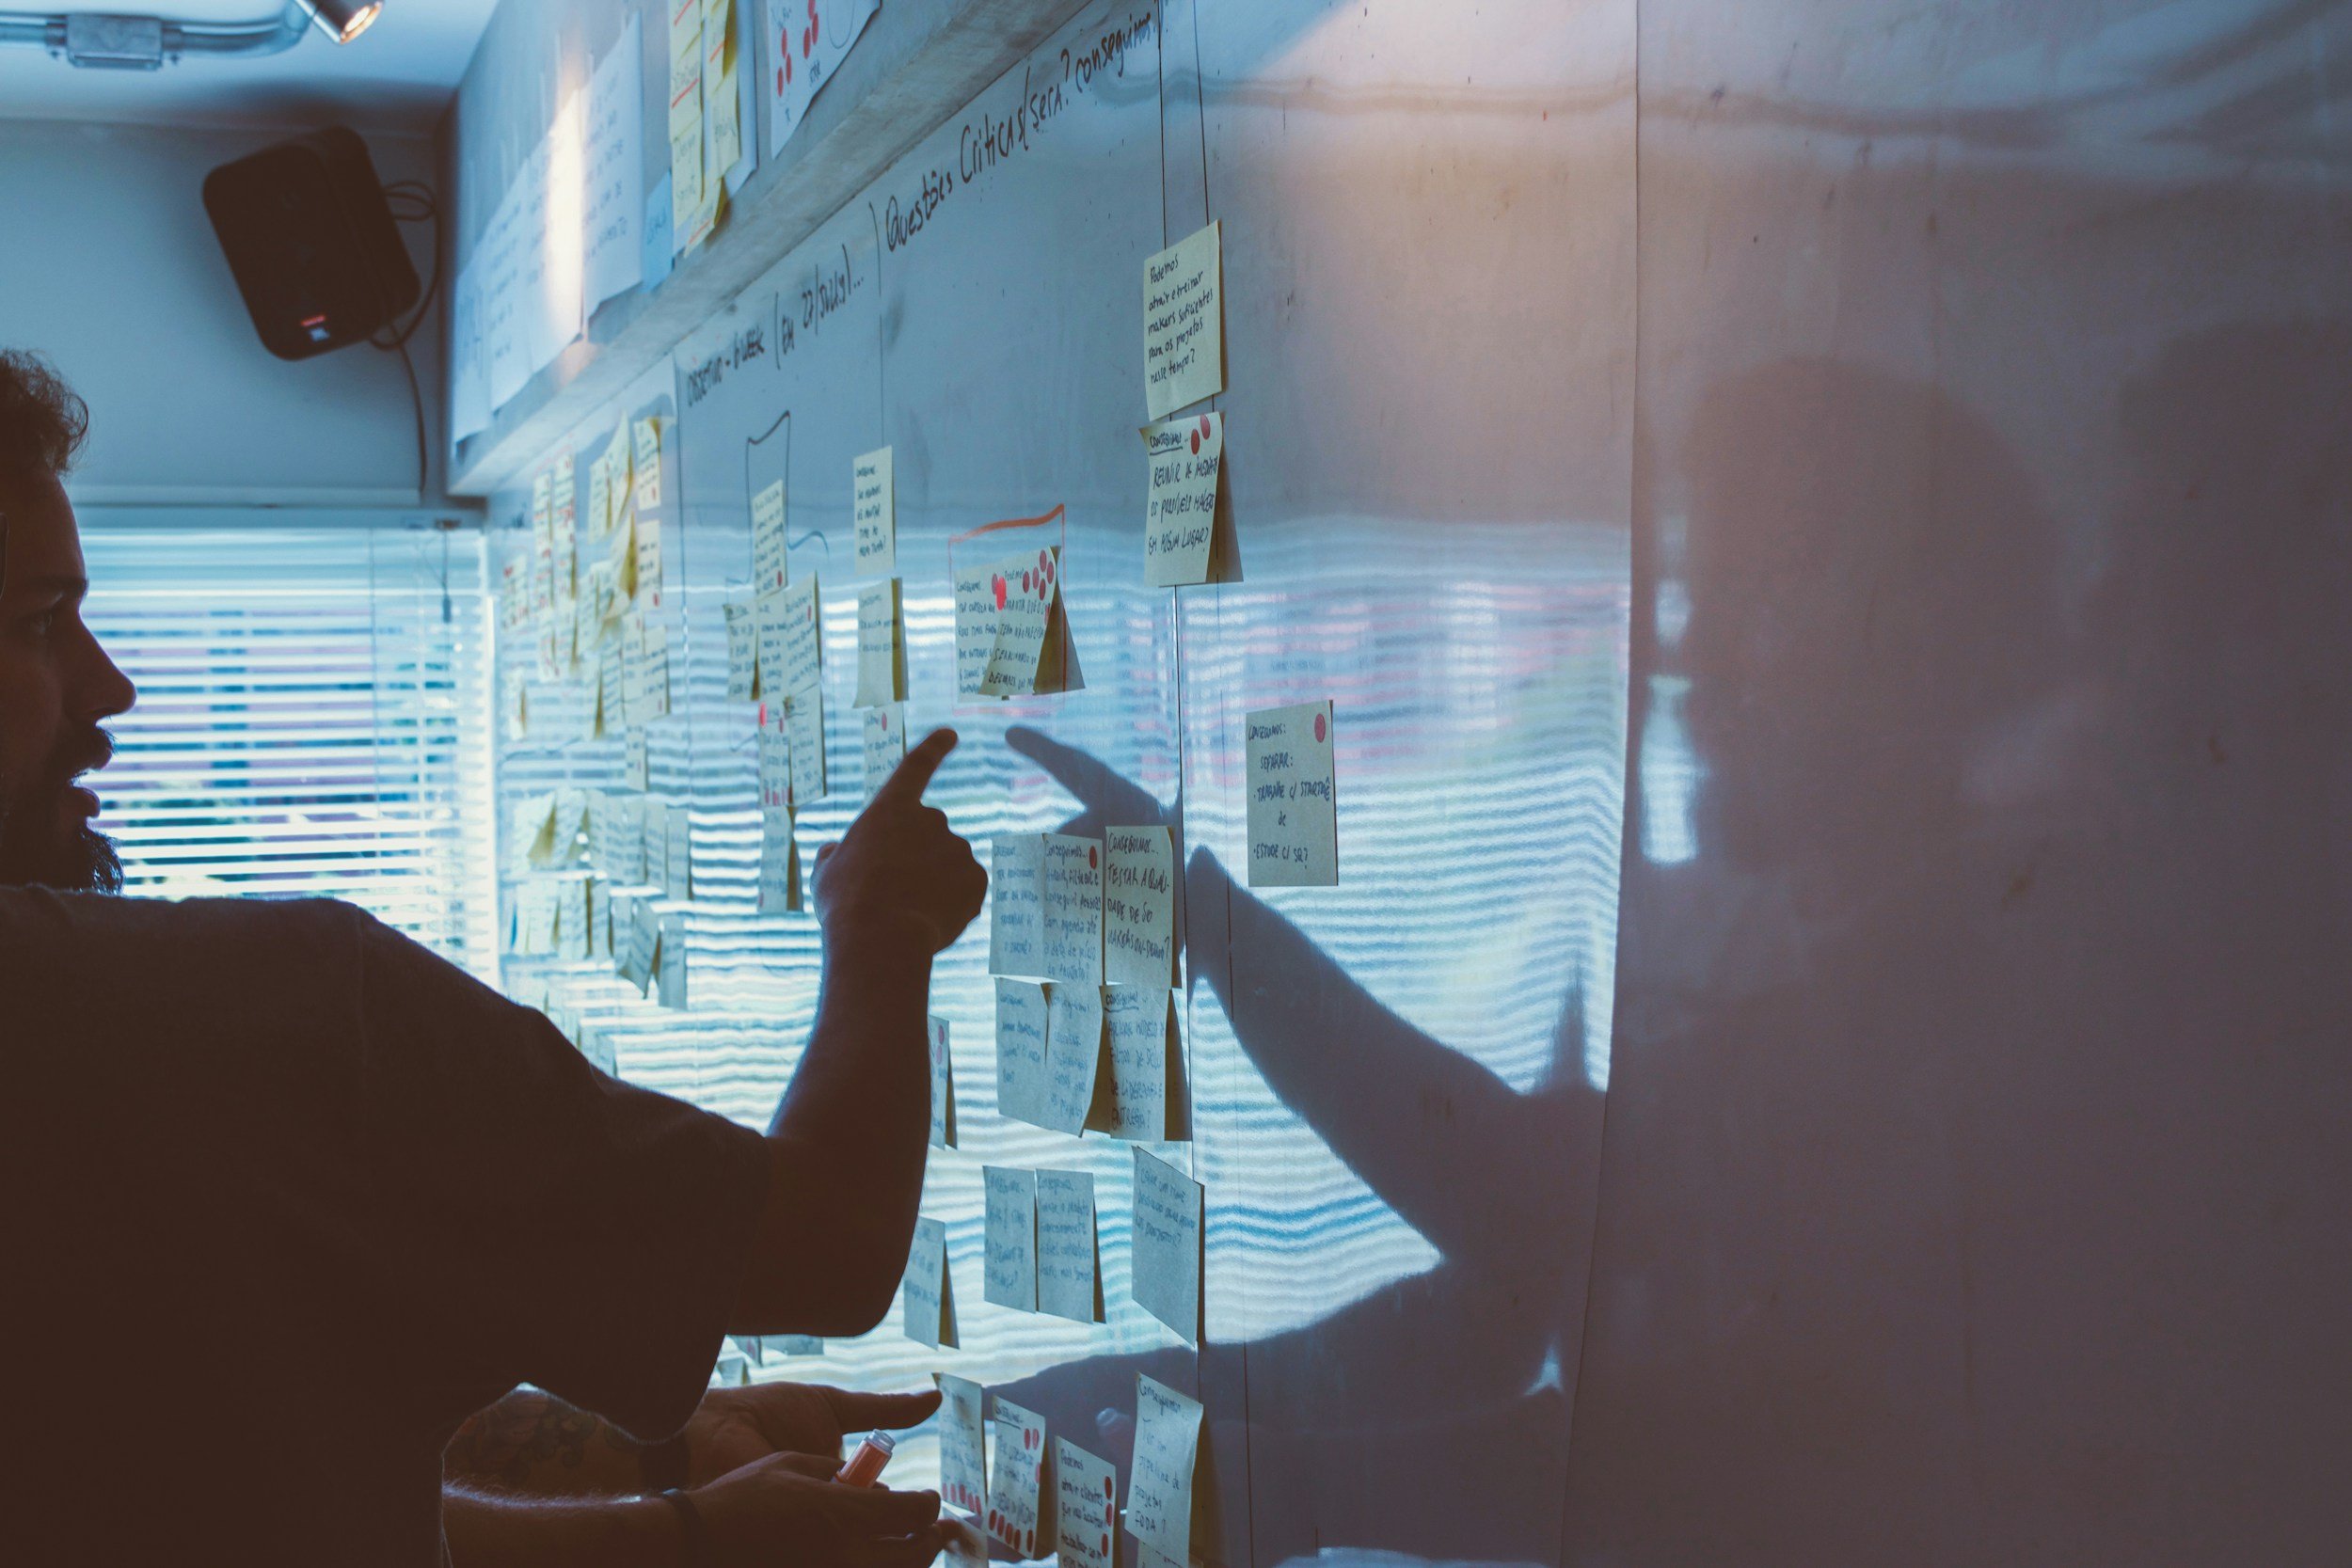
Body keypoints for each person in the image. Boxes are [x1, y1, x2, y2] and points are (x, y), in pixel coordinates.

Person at [0, 347, 991, 1567]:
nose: (111, 685)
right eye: (41, 622)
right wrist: (879, 933)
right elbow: (826, 1244)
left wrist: (670, 1483)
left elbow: (195, 1481)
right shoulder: (265, 1013)